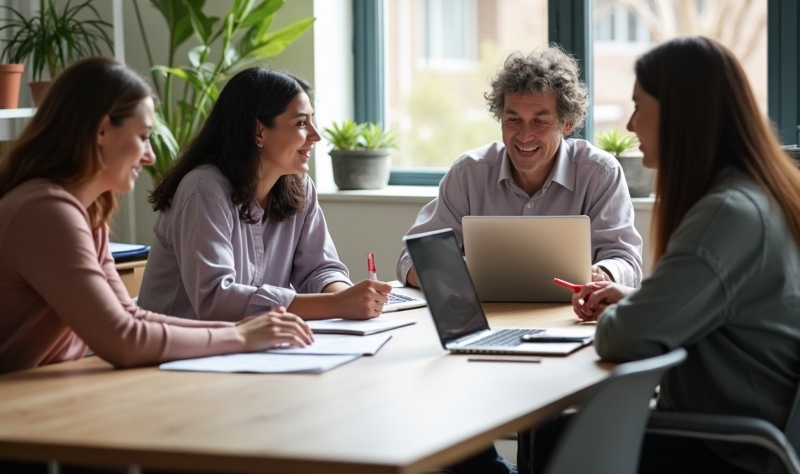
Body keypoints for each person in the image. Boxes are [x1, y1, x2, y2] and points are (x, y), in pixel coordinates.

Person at [527, 36, 800, 473]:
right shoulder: (756, 196)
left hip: (734, 450)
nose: (631, 125)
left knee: (554, 435)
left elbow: (621, 338)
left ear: (680, 115)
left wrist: (632, 313)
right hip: (746, 434)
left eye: (639, 107)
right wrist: (636, 300)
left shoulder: (725, 214)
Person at [0, 57, 314, 375]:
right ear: (103, 131)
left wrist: (245, 333)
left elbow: (129, 317)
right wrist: (240, 335)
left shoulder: (83, 212)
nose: (150, 156)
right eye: (143, 136)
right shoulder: (46, 212)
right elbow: (123, 338)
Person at [137, 67, 392, 323]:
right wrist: (335, 304)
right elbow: (214, 299)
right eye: (301, 123)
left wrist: (350, 299)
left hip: (249, 346)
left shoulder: (300, 187)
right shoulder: (203, 190)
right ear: (259, 131)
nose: (316, 136)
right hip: (176, 352)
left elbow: (319, 269)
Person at [396, 45, 643, 290]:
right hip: (485, 317)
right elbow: (411, 258)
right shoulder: (468, 174)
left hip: (571, 316)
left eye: (539, 122)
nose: (524, 136)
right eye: (513, 120)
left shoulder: (600, 173)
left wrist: (604, 274)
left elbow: (626, 262)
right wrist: (453, 276)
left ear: (566, 124)